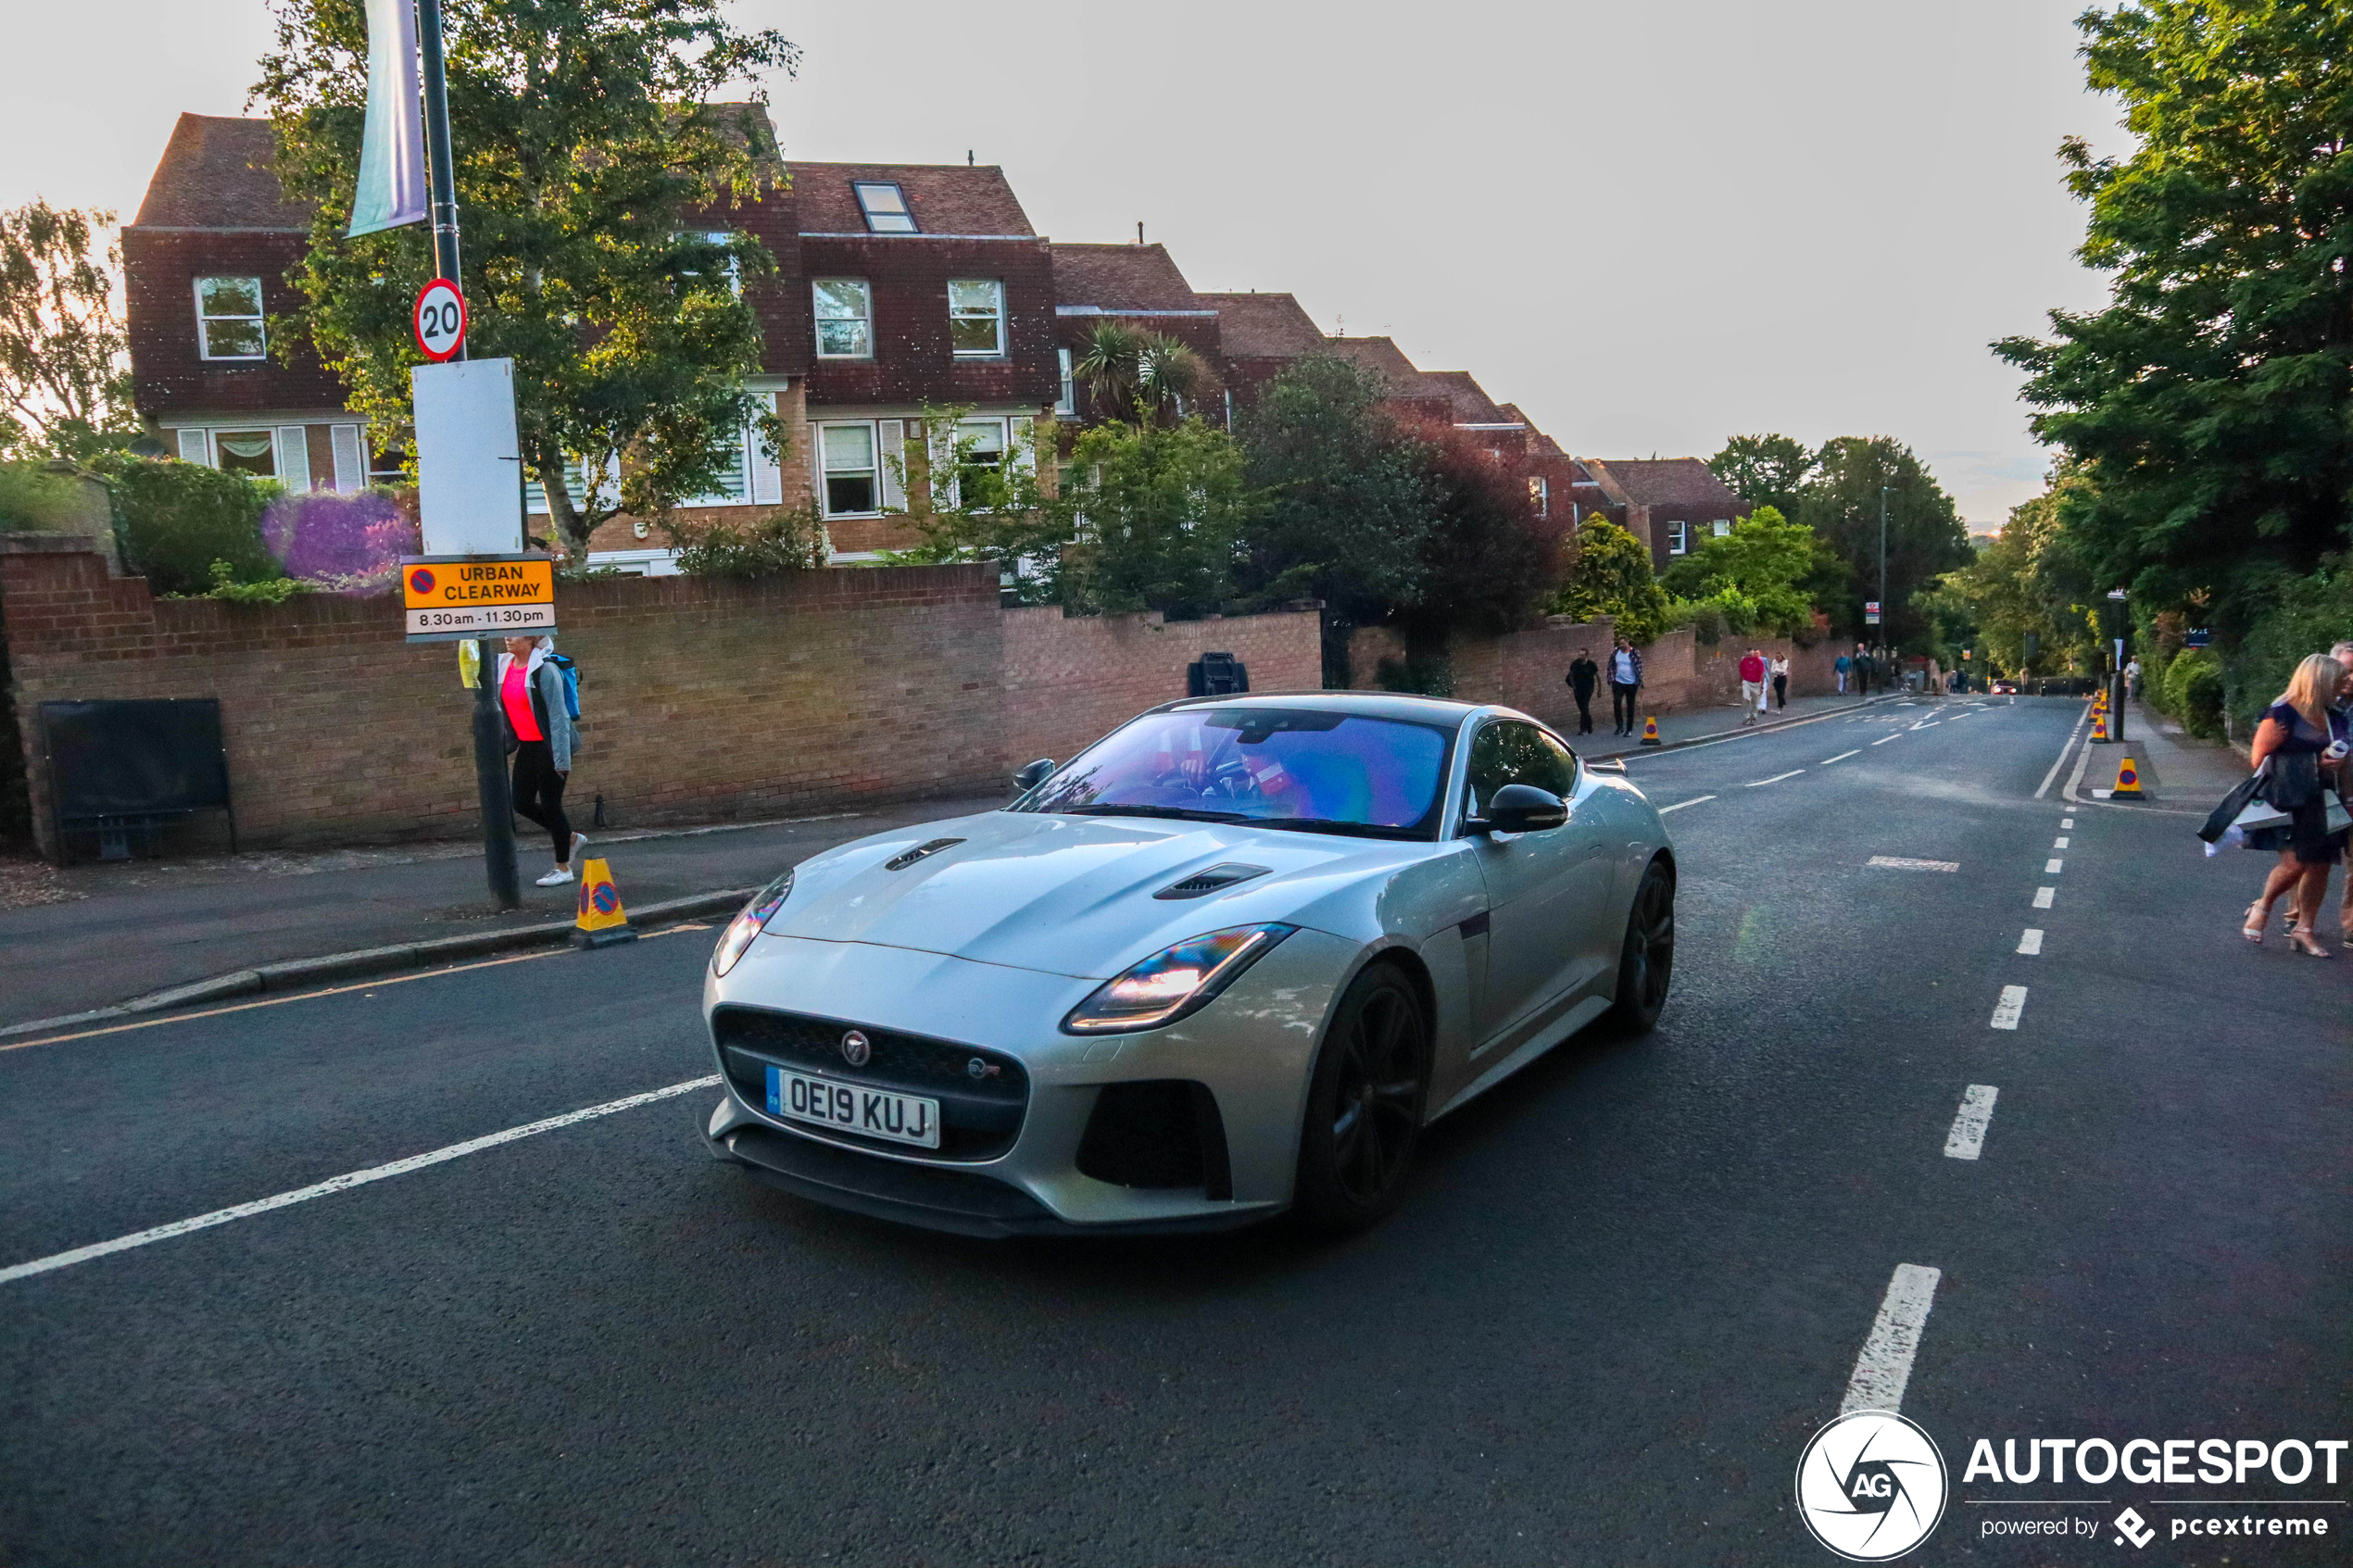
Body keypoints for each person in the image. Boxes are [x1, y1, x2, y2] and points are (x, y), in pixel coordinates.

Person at [2239, 653, 2350, 957]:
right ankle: (2263, 905)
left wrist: (2335, 765)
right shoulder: (2283, 713)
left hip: (2322, 796)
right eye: (2340, 680)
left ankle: (2305, 928)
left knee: (2321, 865)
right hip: (2285, 797)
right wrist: (2315, 761)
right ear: (2320, 681)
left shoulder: (2335, 714)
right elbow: (2258, 760)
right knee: (2296, 862)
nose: (2345, 685)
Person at [497, 633, 586, 888]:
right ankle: (569, 837)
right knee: (521, 802)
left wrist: (561, 761)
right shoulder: (504, 667)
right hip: (527, 743)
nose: (507, 638)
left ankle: (563, 867)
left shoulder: (545, 670)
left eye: (514, 634)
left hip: (549, 746)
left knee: (551, 805)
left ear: (532, 640)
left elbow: (558, 717)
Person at [1608, 637, 1643, 735]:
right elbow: (1611, 664)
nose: (1621, 646)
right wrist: (1611, 678)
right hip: (1618, 682)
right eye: (1619, 644)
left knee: (1630, 705)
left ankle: (1629, 729)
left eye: (1623, 644)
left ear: (1628, 643)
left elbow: (1639, 667)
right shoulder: (1616, 652)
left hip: (1631, 683)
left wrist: (1639, 681)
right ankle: (1619, 726)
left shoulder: (1634, 653)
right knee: (1617, 702)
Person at [1567, 650, 1600, 734]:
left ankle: (1583, 729)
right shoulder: (1575, 663)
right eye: (1580, 655)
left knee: (1584, 707)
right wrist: (1574, 687)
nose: (1580, 657)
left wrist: (1599, 690)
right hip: (1578, 689)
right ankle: (1589, 726)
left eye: (1582, 655)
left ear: (1586, 656)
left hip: (1588, 689)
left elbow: (1597, 677)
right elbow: (1570, 675)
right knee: (1582, 708)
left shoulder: (1591, 665)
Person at [1737, 647, 1768, 725]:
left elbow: (1762, 674)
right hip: (1747, 682)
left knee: (1755, 701)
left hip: (1756, 683)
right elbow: (1741, 673)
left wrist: (1761, 687)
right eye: (1747, 655)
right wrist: (1740, 683)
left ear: (1753, 654)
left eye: (1750, 655)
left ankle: (1753, 717)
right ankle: (1747, 717)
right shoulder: (1744, 661)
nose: (1749, 656)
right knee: (1746, 698)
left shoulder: (1759, 661)